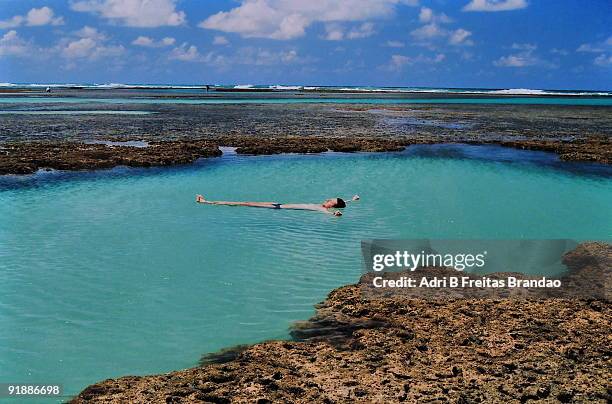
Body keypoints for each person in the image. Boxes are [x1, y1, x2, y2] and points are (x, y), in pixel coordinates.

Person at [196, 194, 359, 216]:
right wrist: (352, 199)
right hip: (278, 204)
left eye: (331, 201)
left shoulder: (322, 210)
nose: (328, 199)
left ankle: (206, 202)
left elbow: (333, 214)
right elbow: (342, 204)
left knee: (244, 203)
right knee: (246, 202)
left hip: (278, 208)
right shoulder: (322, 206)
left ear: (332, 206)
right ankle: (207, 202)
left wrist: (336, 215)